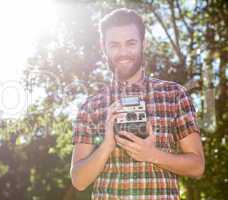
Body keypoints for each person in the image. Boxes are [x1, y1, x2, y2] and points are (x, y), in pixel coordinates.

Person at [70, 8, 205, 199]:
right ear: (104, 47)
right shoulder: (91, 106)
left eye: (131, 43)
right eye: (115, 45)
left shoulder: (175, 95)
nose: (123, 52)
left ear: (144, 43)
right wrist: (107, 145)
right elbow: (79, 180)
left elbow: (197, 166)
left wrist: (151, 154)